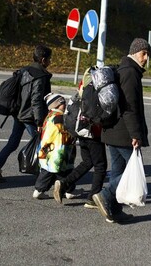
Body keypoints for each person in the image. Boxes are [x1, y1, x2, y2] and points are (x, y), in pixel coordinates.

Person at [92, 38, 150, 224]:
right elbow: (129, 107)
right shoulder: (131, 73)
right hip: (124, 133)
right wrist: (136, 135)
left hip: (111, 131)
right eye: (144, 53)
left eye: (147, 54)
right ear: (134, 52)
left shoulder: (121, 69)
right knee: (131, 172)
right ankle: (105, 195)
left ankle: (113, 210)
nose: (146, 58)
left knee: (118, 172)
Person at [0, 45, 52, 182]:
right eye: (49, 59)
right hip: (30, 117)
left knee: (13, 143)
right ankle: (43, 177)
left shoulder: (24, 70)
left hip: (19, 113)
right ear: (43, 60)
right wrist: (39, 121)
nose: (50, 62)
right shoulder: (40, 76)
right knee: (41, 144)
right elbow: (36, 100)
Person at [53, 70, 108, 208]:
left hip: (80, 130)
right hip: (92, 132)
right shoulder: (97, 90)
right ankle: (92, 198)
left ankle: (64, 183)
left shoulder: (83, 88)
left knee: (87, 161)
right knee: (100, 165)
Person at [33, 93, 78, 199]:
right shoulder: (59, 117)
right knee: (64, 171)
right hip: (59, 149)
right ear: (56, 105)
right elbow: (65, 132)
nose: (65, 105)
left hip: (48, 149)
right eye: (62, 103)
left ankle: (39, 190)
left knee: (47, 170)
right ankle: (69, 190)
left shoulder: (49, 116)